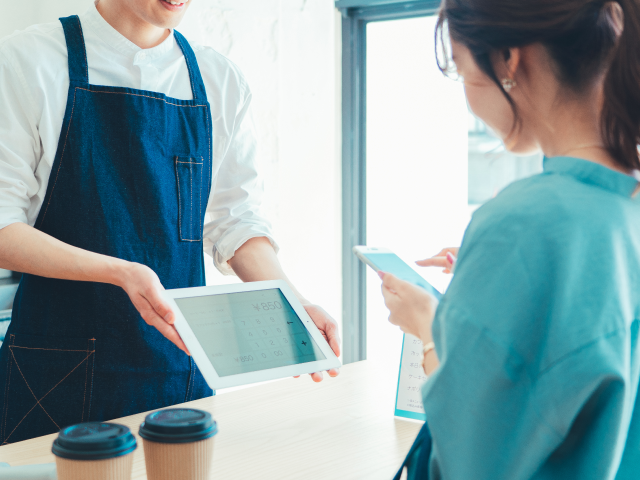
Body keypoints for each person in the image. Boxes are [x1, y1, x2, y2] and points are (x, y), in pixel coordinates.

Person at [0, 0, 340, 445]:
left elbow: (235, 222)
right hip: (54, 374)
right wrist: (119, 271)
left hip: (179, 371)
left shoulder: (220, 81)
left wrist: (291, 304)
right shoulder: (28, 61)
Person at [380, 1, 640, 478]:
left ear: (508, 59)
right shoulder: (620, 207)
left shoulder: (527, 224)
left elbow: (469, 461)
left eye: (459, 68)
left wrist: (429, 326)